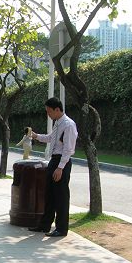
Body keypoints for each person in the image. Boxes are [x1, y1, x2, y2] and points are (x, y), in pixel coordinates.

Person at [29, 97, 78, 237]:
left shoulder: (69, 125)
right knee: (49, 194)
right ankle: (45, 225)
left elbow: (68, 149)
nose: (48, 115)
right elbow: (51, 138)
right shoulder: (58, 123)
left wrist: (60, 168)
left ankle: (61, 229)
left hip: (62, 162)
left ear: (57, 109)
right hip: (54, 161)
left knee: (61, 196)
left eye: (49, 111)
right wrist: (35, 136)